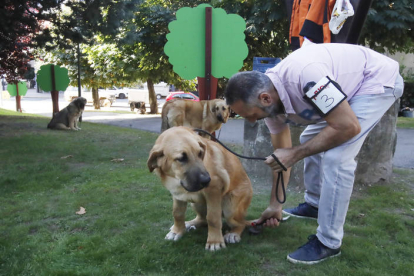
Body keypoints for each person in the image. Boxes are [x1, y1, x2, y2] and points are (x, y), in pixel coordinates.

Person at [225, 43, 404, 265]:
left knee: (337, 158)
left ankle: (328, 242)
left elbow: (348, 126)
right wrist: (275, 205)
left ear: (265, 98)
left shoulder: (307, 77)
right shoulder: (270, 104)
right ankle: (315, 203)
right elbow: (282, 157)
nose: (252, 121)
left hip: (376, 80)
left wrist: (296, 154)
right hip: (350, 85)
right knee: (309, 139)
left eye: (250, 115)